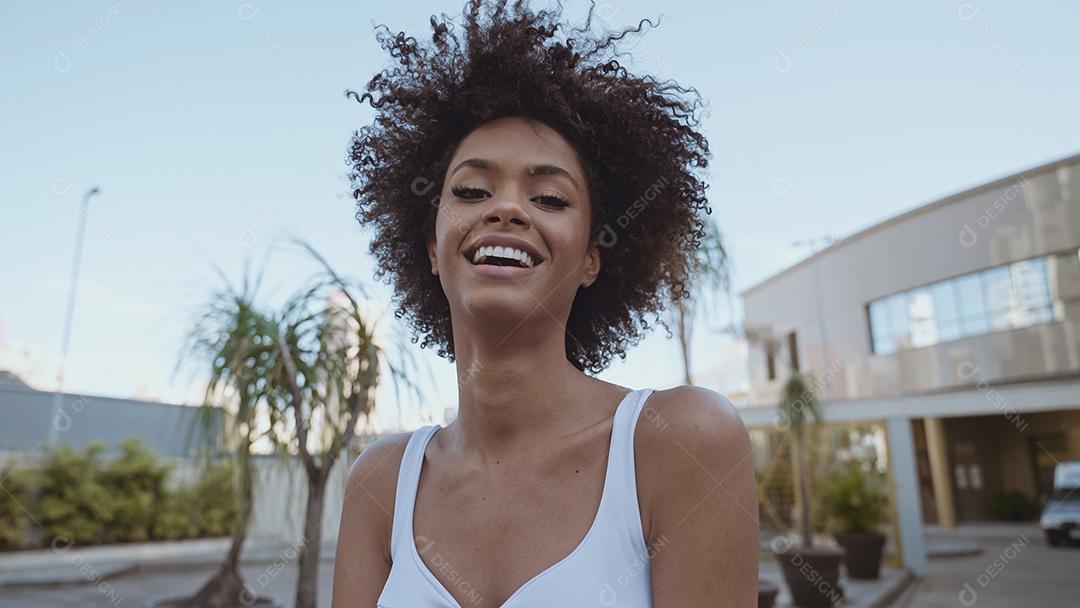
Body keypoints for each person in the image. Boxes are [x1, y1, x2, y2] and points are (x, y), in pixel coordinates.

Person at [332, 1, 757, 606]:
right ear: (430, 247)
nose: (505, 210)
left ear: (592, 258)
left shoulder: (680, 440)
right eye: (472, 190)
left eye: (551, 198)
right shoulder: (380, 482)